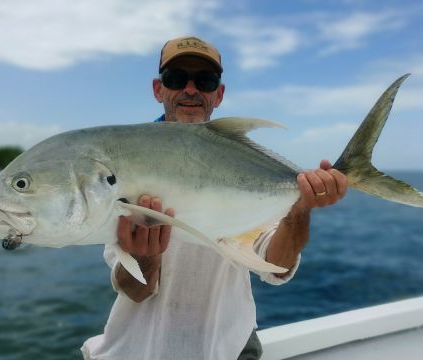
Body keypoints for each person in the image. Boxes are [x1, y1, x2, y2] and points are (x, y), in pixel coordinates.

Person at [82, 36, 348, 360]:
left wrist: (301, 206)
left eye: (205, 81)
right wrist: (144, 257)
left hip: (231, 347)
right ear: (158, 89)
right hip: (143, 348)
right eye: (176, 79)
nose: (190, 90)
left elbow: (276, 266)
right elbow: (135, 290)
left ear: (218, 94)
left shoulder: (243, 163)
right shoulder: (125, 164)